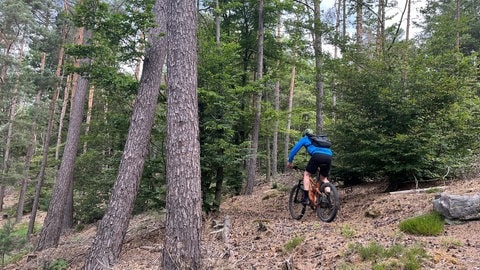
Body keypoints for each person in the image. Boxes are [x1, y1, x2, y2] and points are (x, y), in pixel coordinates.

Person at [287, 128, 333, 205]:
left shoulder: (305, 138)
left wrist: (290, 162)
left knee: (307, 174)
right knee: (324, 178)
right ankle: (328, 200)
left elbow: (294, 150)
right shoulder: (318, 140)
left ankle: (305, 198)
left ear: (305, 134)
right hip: (329, 156)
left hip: (317, 156)